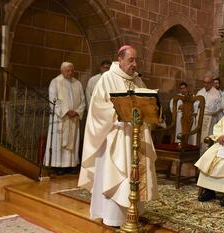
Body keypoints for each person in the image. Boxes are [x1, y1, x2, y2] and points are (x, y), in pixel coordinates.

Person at [78, 45, 158, 227]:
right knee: (117, 175)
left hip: (136, 134)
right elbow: (98, 108)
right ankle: (112, 217)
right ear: (120, 59)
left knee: (134, 173)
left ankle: (132, 212)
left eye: (136, 60)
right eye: (131, 60)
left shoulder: (137, 81)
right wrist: (120, 112)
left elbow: (147, 103)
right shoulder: (107, 79)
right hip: (116, 137)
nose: (135, 64)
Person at [43, 62, 86, 175]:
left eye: (72, 70)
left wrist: (77, 112)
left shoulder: (78, 83)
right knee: (59, 142)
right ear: (62, 71)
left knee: (73, 143)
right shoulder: (55, 82)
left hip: (73, 119)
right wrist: (66, 112)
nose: (70, 73)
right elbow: (53, 100)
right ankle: (58, 166)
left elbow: (83, 101)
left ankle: (71, 165)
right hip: (61, 120)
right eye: (68, 70)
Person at [196, 71, 223, 153]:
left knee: (207, 140)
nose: (206, 85)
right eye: (204, 82)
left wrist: (203, 107)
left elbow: (215, 109)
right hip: (199, 119)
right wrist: (200, 106)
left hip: (211, 120)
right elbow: (195, 105)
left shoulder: (217, 94)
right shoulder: (200, 92)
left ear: (212, 83)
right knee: (198, 139)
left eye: (208, 83)